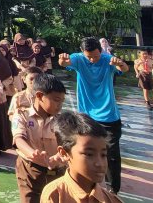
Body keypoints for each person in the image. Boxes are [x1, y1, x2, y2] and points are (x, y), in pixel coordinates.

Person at [58, 37, 128, 193]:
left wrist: (121, 64)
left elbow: (124, 69)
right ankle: (83, 180)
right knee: (84, 149)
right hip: (86, 114)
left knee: (111, 153)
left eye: (95, 56)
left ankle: (112, 188)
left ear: (101, 51)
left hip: (108, 115)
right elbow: (65, 64)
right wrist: (62, 60)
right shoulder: (78, 59)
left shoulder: (107, 59)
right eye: (88, 56)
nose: (92, 59)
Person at [40, 112, 122, 203]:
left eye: (103, 155)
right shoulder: (54, 195)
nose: (100, 163)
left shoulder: (112, 200)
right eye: (89, 154)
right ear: (64, 153)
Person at [12, 73, 67, 203]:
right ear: (39, 96)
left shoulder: (62, 121)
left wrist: (60, 157)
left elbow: (69, 142)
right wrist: (33, 153)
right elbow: (19, 138)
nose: (60, 105)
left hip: (57, 172)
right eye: (56, 100)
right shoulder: (22, 115)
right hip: (30, 171)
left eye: (62, 101)